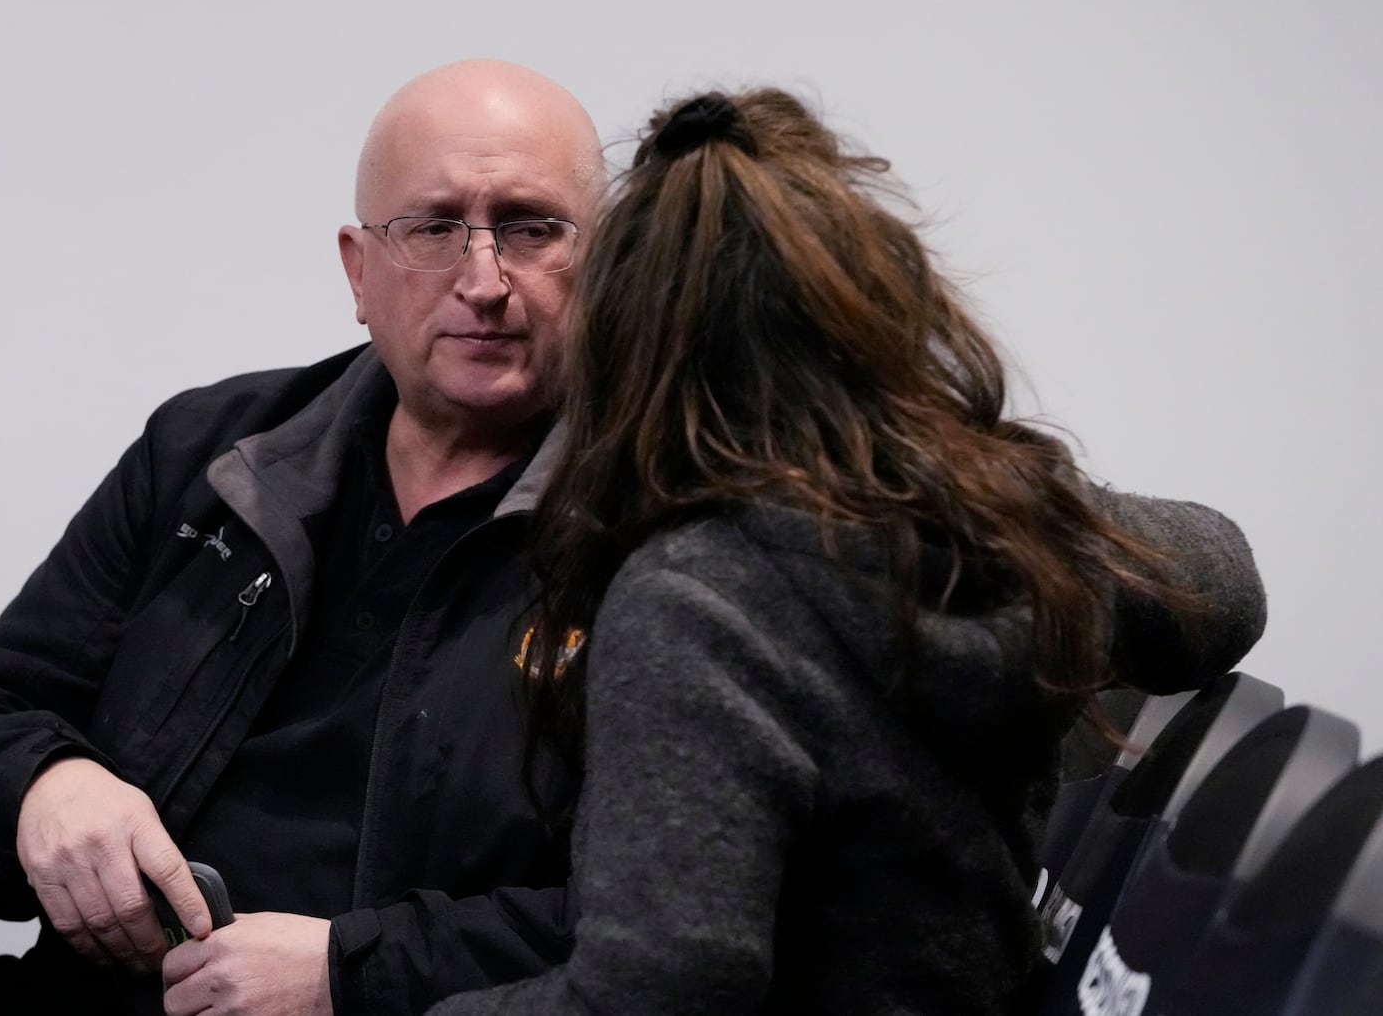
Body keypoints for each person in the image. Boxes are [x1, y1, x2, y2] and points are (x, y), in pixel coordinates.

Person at [427, 89, 1268, 1014]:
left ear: (629, 344)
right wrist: (1003, 489)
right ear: (873, 306)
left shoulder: (697, 606)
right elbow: (1221, 582)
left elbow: (659, 994)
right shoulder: (988, 523)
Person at [0, 59, 603, 1016]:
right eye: (432, 228)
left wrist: (351, 972)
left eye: (529, 227)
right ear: (358, 268)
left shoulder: (650, 526)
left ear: (603, 263)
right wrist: (43, 785)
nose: (483, 279)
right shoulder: (213, 454)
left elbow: (660, 924)